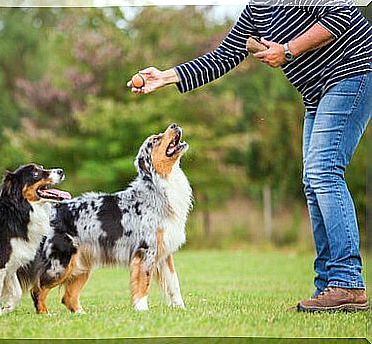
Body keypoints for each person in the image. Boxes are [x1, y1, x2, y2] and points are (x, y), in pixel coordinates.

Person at [127, 2, 371, 312]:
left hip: (354, 71)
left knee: (323, 172)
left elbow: (343, 15)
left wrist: (288, 50)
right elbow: (222, 57)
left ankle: (347, 283)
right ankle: (329, 285)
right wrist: (166, 77)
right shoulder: (258, 10)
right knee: (313, 181)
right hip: (317, 92)